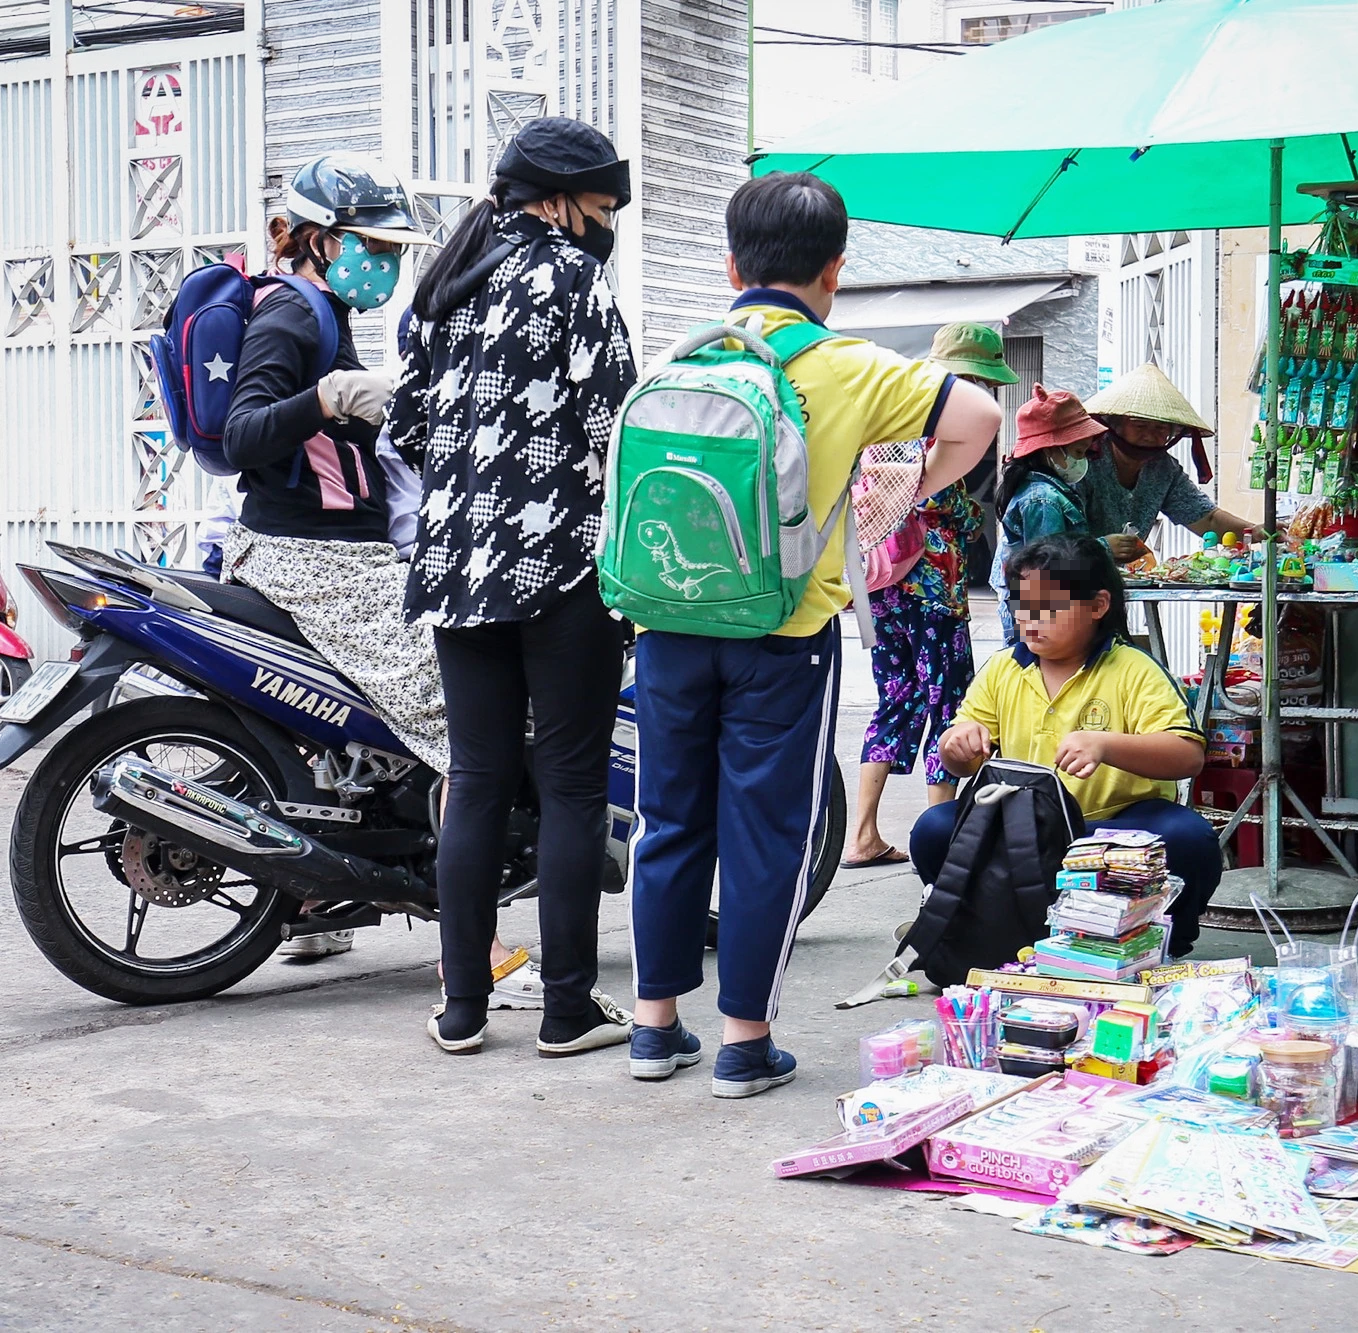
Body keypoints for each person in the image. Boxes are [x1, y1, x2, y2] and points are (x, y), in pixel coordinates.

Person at [626, 171, 1001, 1097]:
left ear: (730, 264)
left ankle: (653, 1028)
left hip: (666, 620)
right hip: (783, 629)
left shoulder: (681, 359)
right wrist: (898, 495)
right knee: (766, 832)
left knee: (666, 819)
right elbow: (983, 418)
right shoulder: (849, 367)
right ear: (835, 271)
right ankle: (743, 1043)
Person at [387, 117, 638, 1058]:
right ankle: (569, 1009)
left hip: (454, 570)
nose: (607, 223)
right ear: (563, 199)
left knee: (479, 778)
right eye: (605, 206)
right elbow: (616, 422)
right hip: (562, 566)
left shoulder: (447, 285)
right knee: (572, 785)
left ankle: (462, 1009)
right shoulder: (573, 281)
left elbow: (406, 426)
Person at [217, 154, 445, 963]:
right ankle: (471, 926)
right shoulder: (292, 314)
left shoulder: (326, 313)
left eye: (391, 252)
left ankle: (324, 890)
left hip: (334, 553)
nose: (382, 264)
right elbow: (243, 434)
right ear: (312, 239)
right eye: (369, 247)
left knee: (363, 736)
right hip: (315, 559)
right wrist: (329, 396)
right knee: (453, 701)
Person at [911, 533, 1222, 958]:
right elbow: (961, 758)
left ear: (1097, 606)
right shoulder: (1003, 668)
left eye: (1050, 608)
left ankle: (1166, 938)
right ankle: (988, 926)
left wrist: (1107, 745)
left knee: (1186, 837)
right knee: (934, 829)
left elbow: (1187, 755)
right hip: (1024, 829)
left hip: (1115, 831)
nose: (1031, 619)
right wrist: (956, 746)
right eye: (1022, 605)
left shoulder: (1133, 668)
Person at [841, 323, 1016, 870]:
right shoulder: (949, 430)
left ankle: (863, 834)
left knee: (895, 701)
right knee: (949, 705)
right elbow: (958, 513)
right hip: (935, 593)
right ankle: (939, 844)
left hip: (883, 586)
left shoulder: (892, 426)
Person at [1079, 363, 1264, 563]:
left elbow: (1207, 520)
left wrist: (1257, 532)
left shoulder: (1163, 469)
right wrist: (1101, 547)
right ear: (1114, 424)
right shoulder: (1085, 461)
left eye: (1161, 428)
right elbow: (1054, 544)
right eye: (1140, 425)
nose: (1149, 436)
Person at [989, 385, 1104, 643]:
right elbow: (1052, 564)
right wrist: (1105, 549)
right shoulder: (1042, 500)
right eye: (1077, 453)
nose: (1082, 461)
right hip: (1036, 613)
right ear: (1050, 450)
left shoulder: (1046, 491)